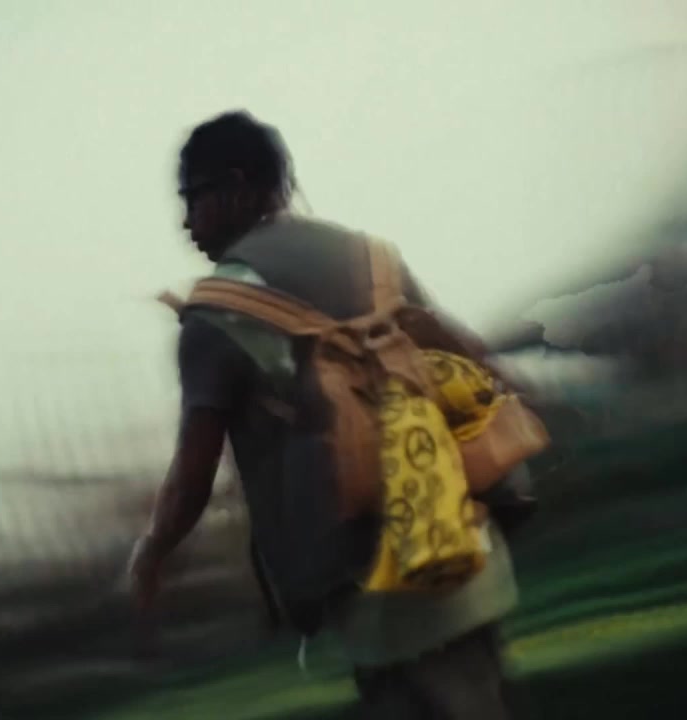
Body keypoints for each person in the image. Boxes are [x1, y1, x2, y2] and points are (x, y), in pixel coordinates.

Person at [127, 110, 534, 718]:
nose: (186, 223)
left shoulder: (215, 316)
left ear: (237, 186)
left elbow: (193, 473)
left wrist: (152, 552)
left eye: (193, 198)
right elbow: (469, 360)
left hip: (377, 579)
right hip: (465, 536)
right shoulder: (373, 259)